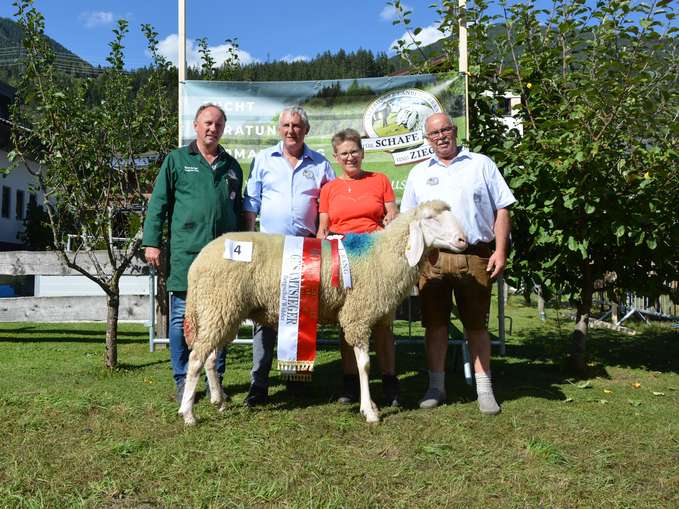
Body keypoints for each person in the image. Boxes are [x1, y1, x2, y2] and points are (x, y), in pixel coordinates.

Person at [400, 112, 516, 415]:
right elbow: (409, 220)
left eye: (445, 130)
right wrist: (412, 262)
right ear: (427, 140)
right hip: (432, 260)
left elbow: (502, 209)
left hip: (476, 256)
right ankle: (436, 387)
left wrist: (500, 251)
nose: (441, 137)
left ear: (455, 131)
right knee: (435, 325)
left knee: (476, 326)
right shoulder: (418, 173)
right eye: (434, 133)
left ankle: (484, 390)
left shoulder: (481, 164)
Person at [142, 103, 244, 403]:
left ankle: (216, 380)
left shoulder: (232, 165)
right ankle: (182, 378)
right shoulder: (176, 160)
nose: (213, 128)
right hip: (187, 253)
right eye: (208, 123)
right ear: (196, 126)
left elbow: (238, 213)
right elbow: (158, 204)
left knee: (221, 320)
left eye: (219, 125)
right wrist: (152, 242)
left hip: (224, 259)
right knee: (180, 318)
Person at [242, 105, 335, 407]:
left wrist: (322, 237)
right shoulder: (263, 160)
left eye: (297, 125)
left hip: (306, 250)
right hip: (269, 250)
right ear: (279, 129)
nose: (291, 130)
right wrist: (251, 240)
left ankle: (296, 379)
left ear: (306, 130)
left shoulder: (320, 163)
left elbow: (327, 205)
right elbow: (251, 204)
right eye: (286, 125)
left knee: (300, 315)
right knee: (264, 317)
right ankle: (259, 383)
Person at [316, 128, 400, 407]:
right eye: (344, 153)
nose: (350, 157)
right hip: (342, 257)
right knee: (349, 320)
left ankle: (390, 382)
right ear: (336, 157)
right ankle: (350, 382)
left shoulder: (380, 180)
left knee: (383, 321)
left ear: (362, 153)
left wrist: (391, 221)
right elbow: (324, 227)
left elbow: (392, 214)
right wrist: (317, 251)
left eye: (354, 151)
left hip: (375, 256)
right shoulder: (329, 189)